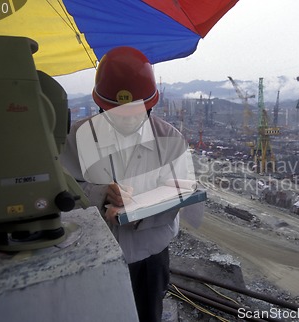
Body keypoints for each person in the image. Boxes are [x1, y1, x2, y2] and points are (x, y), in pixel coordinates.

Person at [60, 46, 201, 322]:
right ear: (101, 106)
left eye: (134, 114)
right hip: (92, 254)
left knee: (148, 315)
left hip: (150, 257)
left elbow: (181, 195)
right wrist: (101, 195)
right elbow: (62, 188)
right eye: (116, 116)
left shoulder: (170, 142)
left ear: (150, 106)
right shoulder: (77, 137)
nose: (125, 123)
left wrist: (135, 212)